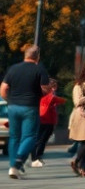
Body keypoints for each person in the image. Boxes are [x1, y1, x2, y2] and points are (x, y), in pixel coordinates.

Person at [0, 45, 50, 179]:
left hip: (13, 107)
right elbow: (45, 89)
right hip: (30, 107)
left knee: (14, 137)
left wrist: (9, 99)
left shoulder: (13, 68)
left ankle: (12, 168)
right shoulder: (39, 69)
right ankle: (18, 162)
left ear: (25, 55)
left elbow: (3, 88)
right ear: (37, 56)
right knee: (30, 137)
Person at [30, 78, 66, 167]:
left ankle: (38, 156)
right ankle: (35, 157)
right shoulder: (47, 95)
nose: (54, 89)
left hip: (49, 120)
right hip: (44, 119)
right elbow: (58, 100)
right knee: (39, 139)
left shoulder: (50, 95)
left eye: (55, 87)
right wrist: (65, 100)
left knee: (44, 139)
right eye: (52, 87)